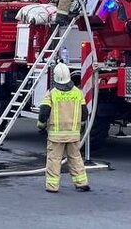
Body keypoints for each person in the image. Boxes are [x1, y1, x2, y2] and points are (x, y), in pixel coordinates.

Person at [37, 63, 90, 193]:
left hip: (56, 136)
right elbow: (84, 114)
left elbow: (43, 114)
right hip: (73, 135)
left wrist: (41, 125)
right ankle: (82, 183)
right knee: (75, 158)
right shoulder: (78, 93)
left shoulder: (51, 93)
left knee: (54, 160)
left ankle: (52, 186)